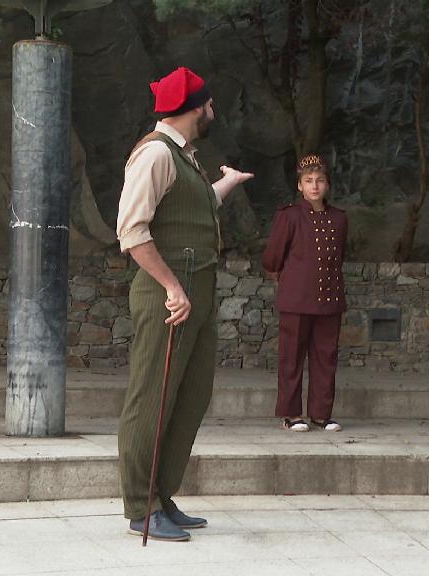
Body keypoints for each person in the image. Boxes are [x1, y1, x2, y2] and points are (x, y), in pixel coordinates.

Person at [115, 66, 254, 542]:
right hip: (168, 294)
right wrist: (173, 287)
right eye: (210, 104)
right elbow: (132, 233)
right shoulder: (155, 155)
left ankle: (160, 495)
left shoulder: (182, 155)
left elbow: (193, 210)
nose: (214, 110)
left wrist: (227, 184)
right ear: (196, 108)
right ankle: (140, 504)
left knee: (189, 396)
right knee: (152, 397)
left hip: (194, 291)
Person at [262, 154, 347, 432]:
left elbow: (339, 256)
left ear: (328, 185)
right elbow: (273, 256)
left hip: (329, 299)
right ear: (299, 185)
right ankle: (290, 414)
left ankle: (322, 414)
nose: (314, 186)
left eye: (320, 181)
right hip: (297, 299)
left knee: (326, 357)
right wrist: (284, 279)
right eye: (308, 181)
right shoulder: (289, 215)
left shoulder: (339, 218)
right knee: (291, 357)